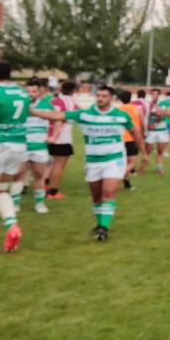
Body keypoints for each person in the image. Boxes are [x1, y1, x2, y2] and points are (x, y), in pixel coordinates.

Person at [31, 84, 144, 242]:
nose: (100, 99)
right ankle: (100, 224)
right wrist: (31, 111)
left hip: (114, 160)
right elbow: (57, 116)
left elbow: (135, 133)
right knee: (96, 196)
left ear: (111, 98)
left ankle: (103, 228)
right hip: (92, 162)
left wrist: (143, 152)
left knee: (109, 192)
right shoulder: (84, 114)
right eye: (98, 96)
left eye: (104, 96)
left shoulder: (121, 116)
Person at [0, 63, 31, 252]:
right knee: (2, 189)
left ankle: (11, 225)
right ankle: (12, 226)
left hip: (1, 143)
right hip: (19, 145)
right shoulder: (22, 93)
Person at [19, 77, 52, 215]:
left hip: (39, 147)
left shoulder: (47, 106)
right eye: (28, 91)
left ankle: (40, 203)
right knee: (18, 176)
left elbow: (58, 120)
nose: (31, 94)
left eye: (34, 91)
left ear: (39, 92)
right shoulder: (19, 106)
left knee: (39, 175)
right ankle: (15, 204)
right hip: (21, 146)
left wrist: (53, 136)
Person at [46, 80, 78, 199]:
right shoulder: (71, 103)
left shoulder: (53, 101)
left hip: (48, 135)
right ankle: (53, 192)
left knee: (51, 163)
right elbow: (72, 117)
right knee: (59, 165)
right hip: (63, 137)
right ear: (74, 91)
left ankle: (44, 186)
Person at [116, 89, 146, 189]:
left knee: (124, 163)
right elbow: (142, 123)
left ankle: (127, 185)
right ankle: (116, 178)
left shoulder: (117, 110)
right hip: (132, 138)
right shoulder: (137, 108)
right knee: (131, 163)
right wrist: (143, 134)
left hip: (119, 139)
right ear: (131, 98)